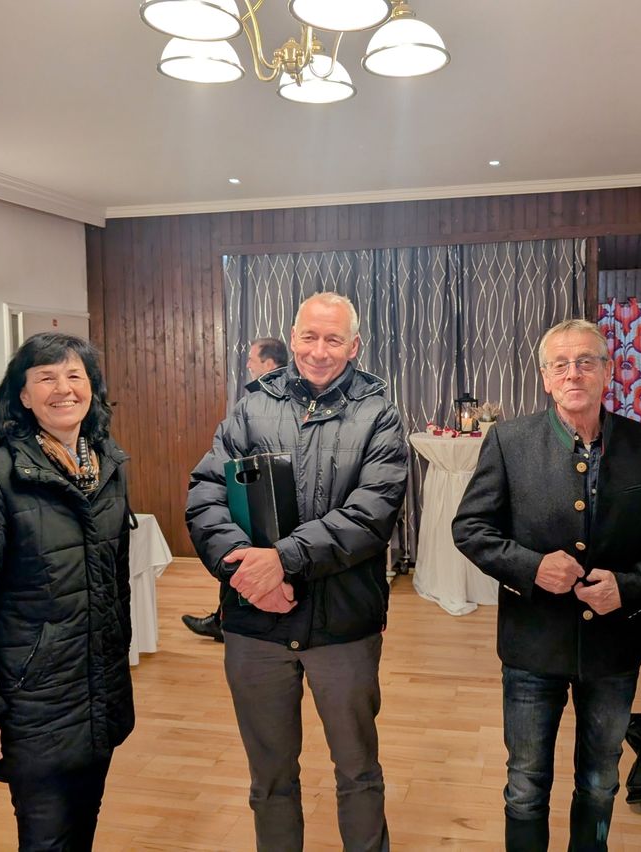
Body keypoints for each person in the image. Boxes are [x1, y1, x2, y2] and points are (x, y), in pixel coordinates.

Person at [452, 318, 641, 851]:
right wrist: (531, 567)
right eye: (560, 363)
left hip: (614, 647)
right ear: (545, 377)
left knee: (601, 781)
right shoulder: (509, 442)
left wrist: (629, 587)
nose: (573, 372)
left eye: (586, 361)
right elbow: (470, 529)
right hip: (532, 645)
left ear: (608, 372)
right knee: (526, 785)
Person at [186, 292, 407, 852]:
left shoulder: (379, 412)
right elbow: (206, 496)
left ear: (354, 346)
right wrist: (245, 571)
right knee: (270, 780)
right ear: (293, 336)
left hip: (343, 625)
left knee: (358, 772)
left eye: (334, 339)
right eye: (309, 336)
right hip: (255, 624)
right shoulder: (250, 406)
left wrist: (281, 560)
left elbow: (370, 513)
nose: (319, 350)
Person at [0, 332, 134, 850]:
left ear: (91, 387)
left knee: (82, 830)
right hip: (33, 704)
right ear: (22, 396)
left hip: (97, 695)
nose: (63, 388)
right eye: (45, 377)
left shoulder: (107, 467)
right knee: (46, 838)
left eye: (74, 375)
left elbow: (115, 587)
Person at [182, 336, 289, 642]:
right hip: (260, 493)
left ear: (268, 364)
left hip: (259, 495)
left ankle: (226, 620)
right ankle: (222, 617)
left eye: (252, 359)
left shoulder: (261, 400)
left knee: (241, 555)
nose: (248, 365)